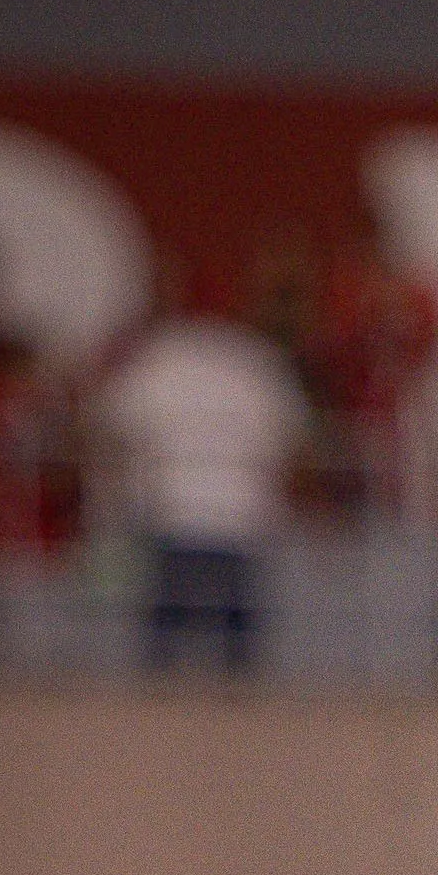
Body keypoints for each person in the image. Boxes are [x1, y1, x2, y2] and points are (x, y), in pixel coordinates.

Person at [93, 269, 308, 673]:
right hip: (237, 518)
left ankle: (160, 723)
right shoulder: (256, 359)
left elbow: (112, 426)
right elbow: (290, 439)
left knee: (166, 643)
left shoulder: (157, 357)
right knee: (235, 648)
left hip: (172, 513)